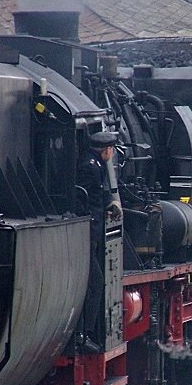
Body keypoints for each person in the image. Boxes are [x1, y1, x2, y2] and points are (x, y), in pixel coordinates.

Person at [75, 130, 119, 352]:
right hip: (87, 234)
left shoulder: (94, 165)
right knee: (94, 282)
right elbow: (83, 198)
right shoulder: (90, 167)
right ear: (108, 150)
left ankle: (86, 333)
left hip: (92, 233)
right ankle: (83, 335)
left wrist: (110, 201)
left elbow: (97, 193)